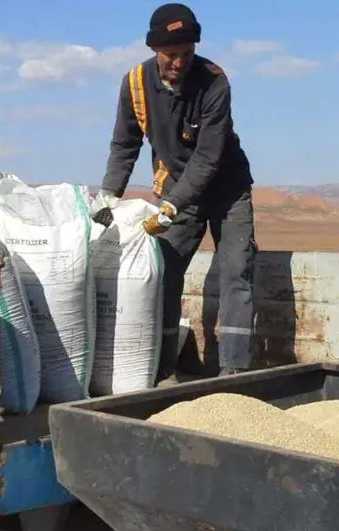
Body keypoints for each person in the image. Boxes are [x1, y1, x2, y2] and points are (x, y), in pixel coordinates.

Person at [94, 2, 257, 385]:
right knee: (164, 273)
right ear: (154, 50)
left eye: (186, 54)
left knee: (237, 272)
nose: (179, 62)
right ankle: (164, 367)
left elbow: (208, 157)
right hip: (176, 190)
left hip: (227, 189)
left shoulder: (214, 81)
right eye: (171, 55)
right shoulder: (135, 84)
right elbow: (124, 145)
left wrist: (172, 204)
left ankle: (235, 372)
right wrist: (107, 197)